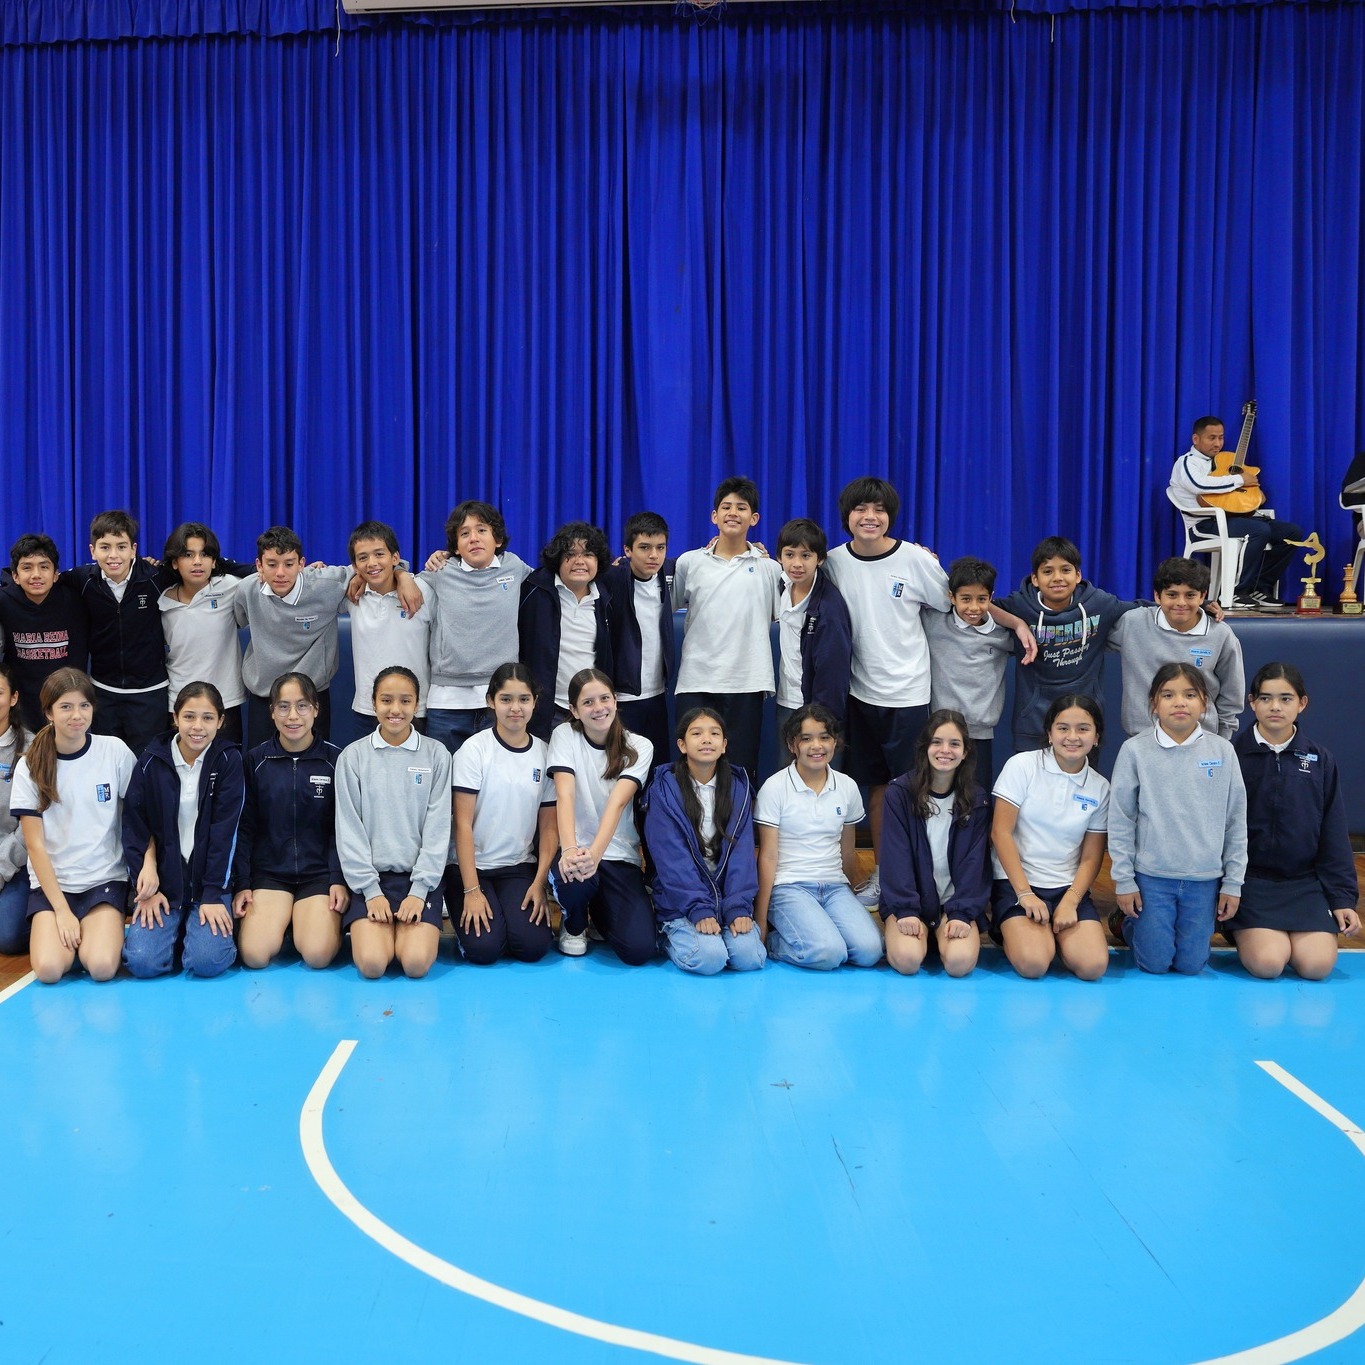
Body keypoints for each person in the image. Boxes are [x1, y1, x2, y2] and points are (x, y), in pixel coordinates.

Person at [822, 477, 1031, 909]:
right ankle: (886, 875)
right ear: (847, 516)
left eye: (879, 509)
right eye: (861, 509)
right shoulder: (834, 562)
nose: (870, 517)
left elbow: (964, 600)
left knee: (919, 791)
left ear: (890, 517)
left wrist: (1015, 622)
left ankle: (930, 881)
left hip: (910, 697)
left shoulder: (916, 560)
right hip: (859, 695)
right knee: (878, 790)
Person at [1108, 663, 1248, 975]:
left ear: (1204, 703)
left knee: (1191, 965)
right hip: (1152, 877)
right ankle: (1126, 924)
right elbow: (1121, 819)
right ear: (1153, 704)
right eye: (1168, 695)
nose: (1179, 702)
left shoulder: (1223, 751)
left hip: (1204, 878)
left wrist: (1232, 883)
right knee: (1154, 963)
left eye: (1190, 695)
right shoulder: (1134, 750)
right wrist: (1124, 879)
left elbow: (1235, 821)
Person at [1224, 663, 1360, 979]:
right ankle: (1247, 931)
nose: (1275, 707)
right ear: (1251, 702)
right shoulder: (1230, 756)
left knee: (1317, 966)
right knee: (1268, 963)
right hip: (1249, 883)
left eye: (1285, 699)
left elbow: (1333, 833)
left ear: (1302, 703)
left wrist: (1342, 899)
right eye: (1266, 698)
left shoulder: (1320, 759)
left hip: (1303, 883)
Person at [233, 525, 420, 746]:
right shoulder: (247, 590)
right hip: (264, 695)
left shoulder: (326, 584)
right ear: (259, 566)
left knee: (316, 762)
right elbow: (240, 618)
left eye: (289, 564)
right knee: (260, 762)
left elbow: (377, 566)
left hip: (313, 694)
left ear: (302, 564)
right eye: (272, 564)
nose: (280, 573)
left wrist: (402, 574)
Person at [9, 668, 135, 983]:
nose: (77, 715)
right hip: (54, 887)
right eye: (66, 707)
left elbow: (140, 817)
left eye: (84, 706)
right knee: (49, 970)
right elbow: (35, 845)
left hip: (103, 881)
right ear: (49, 712)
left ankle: (97, 933)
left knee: (102, 967)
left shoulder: (114, 751)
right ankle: (73, 933)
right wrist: (62, 912)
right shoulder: (29, 764)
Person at [121, 682, 245, 979]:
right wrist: (145, 885)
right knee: (142, 963)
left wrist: (213, 894)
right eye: (189, 716)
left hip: (209, 886)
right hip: (164, 888)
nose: (197, 726)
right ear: (175, 717)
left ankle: (199, 932)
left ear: (221, 721)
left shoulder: (228, 761)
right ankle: (178, 932)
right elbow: (135, 826)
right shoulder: (151, 761)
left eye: (207, 717)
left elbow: (225, 835)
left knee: (207, 962)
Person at [335, 666, 452, 979]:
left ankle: (411, 926)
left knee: (415, 963)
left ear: (417, 704)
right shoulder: (352, 757)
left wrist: (419, 891)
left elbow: (439, 828)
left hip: (419, 879)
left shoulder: (437, 755)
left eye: (405, 701)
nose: (395, 709)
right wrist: (371, 891)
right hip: (371, 880)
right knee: (372, 964)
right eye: (386, 700)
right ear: (373, 703)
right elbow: (349, 830)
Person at [990, 695, 1112, 981]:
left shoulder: (1100, 787)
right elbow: (1000, 833)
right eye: (1063, 728)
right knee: (1033, 964)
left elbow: (1091, 856)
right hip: (1018, 884)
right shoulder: (1022, 766)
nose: (1072, 737)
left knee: (1093, 966)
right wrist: (1025, 894)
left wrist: (1071, 900)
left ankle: (1054, 935)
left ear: (1096, 737)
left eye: (1083, 729)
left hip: (1066, 887)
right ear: (1049, 733)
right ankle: (1018, 931)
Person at [232, 672, 348, 970]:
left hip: (319, 875)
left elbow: (343, 829)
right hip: (270, 875)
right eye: (283, 706)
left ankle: (308, 924)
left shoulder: (336, 761)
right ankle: (285, 922)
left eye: (302, 706)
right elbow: (244, 829)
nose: (293, 716)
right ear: (271, 712)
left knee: (317, 955)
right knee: (255, 956)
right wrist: (242, 883)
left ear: (316, 710)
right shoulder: (254, 761)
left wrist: (337, 878)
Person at [671, 476, 784, 780]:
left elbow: (786, 613)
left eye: (742, 507)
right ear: (714, 515)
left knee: (740, 771)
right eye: (726, 507)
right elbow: (662, 608)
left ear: (754, 518)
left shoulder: (770, 568)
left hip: (746, 683)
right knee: (692, 771)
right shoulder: (689, 562)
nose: (733, 513)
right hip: (696, 681)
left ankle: (739, 815)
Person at [754, 703, 882, 970]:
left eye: (825, 737)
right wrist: (761, 920)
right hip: (788, 887)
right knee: (828, 952)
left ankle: (817, 932)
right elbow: (767, 856)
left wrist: (848, 900)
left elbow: (848, 851)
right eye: (806, 739)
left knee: (870, 951)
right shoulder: (774, 787)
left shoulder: (847, 786)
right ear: (792, 745)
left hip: (834, 887)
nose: (817, 746)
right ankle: (777, 942)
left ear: (835, 743)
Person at [446, 662, 558, 964]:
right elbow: (462, 825)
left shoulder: (545, 754)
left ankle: (508, 920)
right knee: (484, 949)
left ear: (535, 702)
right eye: (506, 699)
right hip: (470, 868)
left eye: (524, 699)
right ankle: (463, 910)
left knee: (534, 947)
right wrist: (472, 890)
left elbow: (549, 828)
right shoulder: (473, 751)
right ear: (491, 701)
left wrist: (540, 883)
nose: (515, 708)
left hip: (517, 867)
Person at [640, 706, 765, 975]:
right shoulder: (663, 790)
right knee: (709, 958)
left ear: (724, 745)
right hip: (682, 900)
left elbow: (742, 854)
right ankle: (666, 936)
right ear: (682, 745)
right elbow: (671, 860)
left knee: (750, 957)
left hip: (726, 896)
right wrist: (698, 909)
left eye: (714, 734)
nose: (706, 739)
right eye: (696, 733)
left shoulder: (739, 788)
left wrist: (738, 907)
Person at [547, 668, 655, 963]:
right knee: (576, 879)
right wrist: (570, 850)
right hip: (576, 850)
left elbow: (617, 803)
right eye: (588, 702)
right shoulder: (564, 735)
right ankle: (574, 923)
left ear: (615, 701)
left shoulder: (640, 746)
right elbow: (565, 794)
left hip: (617, 855)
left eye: (604, 698)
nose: (598, 708)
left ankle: (600, 914)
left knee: (639, 949)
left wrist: (596, 854)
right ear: (574, 710)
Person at [993, 536, 1141, 752]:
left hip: (1083, 725)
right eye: (1047, 571)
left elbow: (1144, 609)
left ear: (1078, 575)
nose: (1057, 578)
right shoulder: (1019, 606)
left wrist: (1195, 609)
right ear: (1035, 579)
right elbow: (981, 605)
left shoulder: (1099, 604)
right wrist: (1017, 623)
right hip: (1033, 724)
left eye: (1065, 570)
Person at [879, 709, 991, 977]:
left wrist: (962, 913)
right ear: (925, 748)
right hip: (912, 904)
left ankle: (941, 932)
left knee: (959, 963)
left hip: (953, 904)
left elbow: (976, 863)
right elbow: (895, 857)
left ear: (965, 752)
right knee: (907, 961)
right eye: (937, 742)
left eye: (954, 744)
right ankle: (916, 935)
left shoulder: (977, 799)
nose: (945, 751)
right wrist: (905, 909)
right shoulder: (899, 794)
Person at [421, 500, 533, 755]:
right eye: (464, 533)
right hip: (447, 703)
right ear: (455, 547)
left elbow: (552, 580)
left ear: (498, 539)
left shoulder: (514, 566)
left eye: (481, 530)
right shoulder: (441, 571)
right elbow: (402, 585)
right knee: (445, 776)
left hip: (500, 699)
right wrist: (402, 575)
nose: (474, 538)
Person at [61, 510, 176, 752]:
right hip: (103, 692)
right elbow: (42, 580)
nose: (113, 555)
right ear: (92, 551)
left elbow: (202, 570)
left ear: (133, 549)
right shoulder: (83, 579)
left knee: (147, 762)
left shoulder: (156, 577)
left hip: (149, 693)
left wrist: (253, 572)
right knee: (107, 761)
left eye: (121, 547)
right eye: (105, 547)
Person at [1167, 414, 1303, 610]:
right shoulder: (1187, 462)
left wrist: (1253, 495)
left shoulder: (1224, 460)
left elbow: (1238, 495)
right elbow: (1199, 485)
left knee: (1291, 533)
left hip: (1236, 519)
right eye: (1211, 438)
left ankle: (1260, 587)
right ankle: (1237, 591)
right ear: (1196, 439)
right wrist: (1240, 480)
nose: (1217, 443)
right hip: (1205, 524)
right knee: (1258, 531)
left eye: (1221, 437)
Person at [1108, 557, 1244, 738]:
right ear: (1157, 596)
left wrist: (1222, 741)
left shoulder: (1221, 634)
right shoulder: (1133, 623)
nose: (1181, 602)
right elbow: (1091, 637)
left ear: (1202, 596)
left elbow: (1232, 695)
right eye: (1172, 595)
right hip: (1142, 738)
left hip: (1201, 739)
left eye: (1190, 595)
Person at [158, 522, 254, 745]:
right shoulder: (160, 600)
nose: (197, 562)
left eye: (204, 554)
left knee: (226, 765)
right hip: (179, 702)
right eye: (188, 555)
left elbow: (272, 577)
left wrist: (309, 573)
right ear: (175, 562)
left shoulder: (232, 587)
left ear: (214, 561)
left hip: (225, 701)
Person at [921, 557, 1014, 783]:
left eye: (981, 599)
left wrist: (1019, 626)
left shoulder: (1003, 634)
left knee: (976, 794)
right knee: (937, 792)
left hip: (980, 734)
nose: (973, 607)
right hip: (940, 731)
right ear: (951, 597)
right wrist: (924, 559)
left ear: (991, 598)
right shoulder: (934, 622)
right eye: (965, 599)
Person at [519, 522, 614, 741]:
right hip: (547, 710)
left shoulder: (606, 597)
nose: (580, 561)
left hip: (592, 711)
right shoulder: (534, 589)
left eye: (588, 554)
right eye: (570, 554)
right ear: (557, 559)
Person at [342, 520, 432, 731]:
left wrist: (402, 574)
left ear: (395, 557)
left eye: (379, 554)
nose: (372, 563)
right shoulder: (353, 595)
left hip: (415, 709)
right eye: (363, 558)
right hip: (367, 710)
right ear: (355, 567)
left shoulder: (422, 591)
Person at [603, 511, 676, 766]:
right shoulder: (610, 578)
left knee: (658, 769)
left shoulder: (669, 572)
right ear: (627, 550)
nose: (653, 555)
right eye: (644, 548)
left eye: (660, 547)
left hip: (658, 694)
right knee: (624, 769)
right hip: (622, 696)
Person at [0, 534, 88, 734]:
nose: (36, 575)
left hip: (67, 704)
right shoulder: (4, 602)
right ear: (15, 576)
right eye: (27, 567)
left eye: (44, 567)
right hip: (21, 708)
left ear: (56, 574)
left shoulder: (77, 600)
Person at [773, 518, 851, 736]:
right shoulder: (783, 584)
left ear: (820, 559)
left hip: (815, 710)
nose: (797, 564)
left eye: (806, 556)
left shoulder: (829, 609)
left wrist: (822, 719)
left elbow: (833, 672)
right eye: (790, 555)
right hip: (786, 701)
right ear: (779, 557)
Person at [0, 662, 32, 955]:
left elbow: (31, 825)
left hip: (15, 862)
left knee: (8, 938)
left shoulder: (30, 749)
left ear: (13, 698)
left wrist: (1, 865)